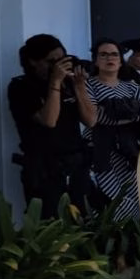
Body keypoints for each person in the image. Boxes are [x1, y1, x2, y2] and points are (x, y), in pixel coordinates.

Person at [8, 35, 96, 217]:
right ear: (33, 62)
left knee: (84, 223)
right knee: (52, 224)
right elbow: (49, 120)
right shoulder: (21, 87)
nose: (59, 66)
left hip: (75, 165)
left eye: (62, 59)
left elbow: (90, 120)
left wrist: (79, 86)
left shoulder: (69, 83)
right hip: (44, 170)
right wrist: (55, 82)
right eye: (51, 61)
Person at [82, 38, 140, 215]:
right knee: (107, 202)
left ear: (121, 59)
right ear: (96, 59)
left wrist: (118, 111)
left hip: (129, 151)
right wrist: (130, 111)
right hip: (101, 151)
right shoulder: (88, 85)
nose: (110, 58)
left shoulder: (131, 86)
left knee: (135, 196)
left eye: (114, 54)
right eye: (104, 54)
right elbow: (96, 116)